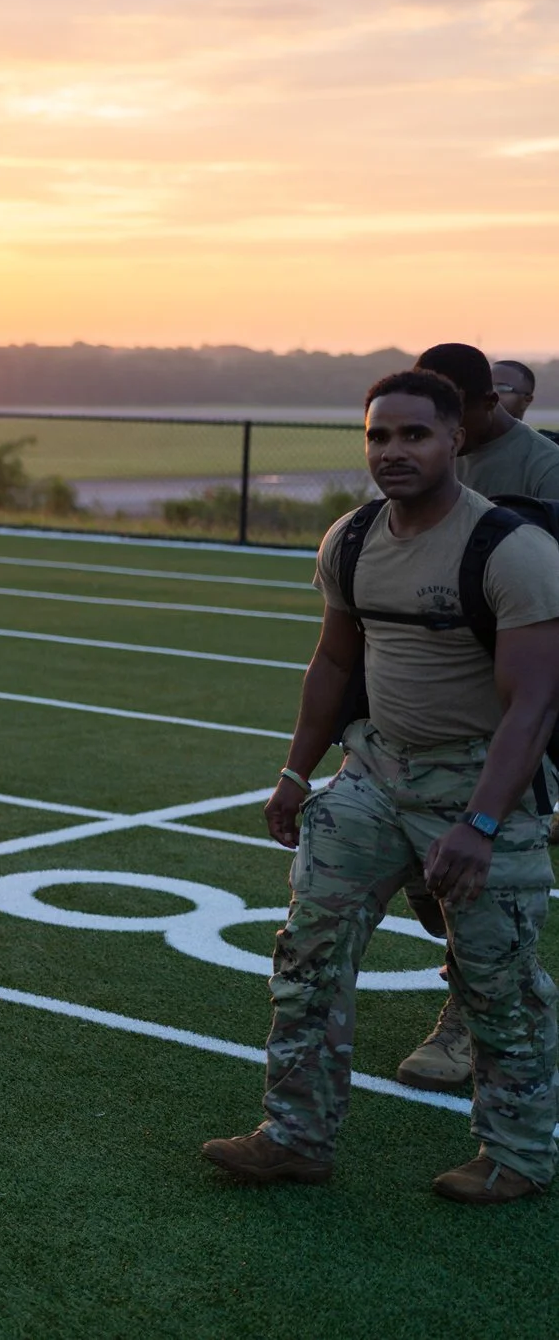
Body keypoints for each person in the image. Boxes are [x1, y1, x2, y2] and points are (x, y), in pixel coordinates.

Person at [202, 369, 559, 1203]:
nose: (393, 451)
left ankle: (517, 1153)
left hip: (479, 783)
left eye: (415, 434)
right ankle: (294, 1135)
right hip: (372, 774)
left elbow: (536, 704)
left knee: (497, 983)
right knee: (308, 957)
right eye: (378, 436)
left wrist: (479, 822)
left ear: (456, 440)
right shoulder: (351, 540)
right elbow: (334, 660)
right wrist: (296, 772)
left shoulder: (514, 550)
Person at [393, 349, 559, 1088]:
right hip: (430, 708)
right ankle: (510, 988)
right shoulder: (426, 466)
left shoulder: (541, 468)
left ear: (483, 405)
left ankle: (470, 1018)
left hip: (514, 703)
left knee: (480, 876)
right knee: (420, 874)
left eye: (454, 416)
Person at [416, 343, 559, 500]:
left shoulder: (548, 469)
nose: (442, 430)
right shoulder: (424, 457)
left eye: (455, 418)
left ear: (490, 402)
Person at [492, 359, 542, 431]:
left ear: (526, 400)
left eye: (502, 388)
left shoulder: (537, 442)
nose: (491, 393)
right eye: (488, 386)